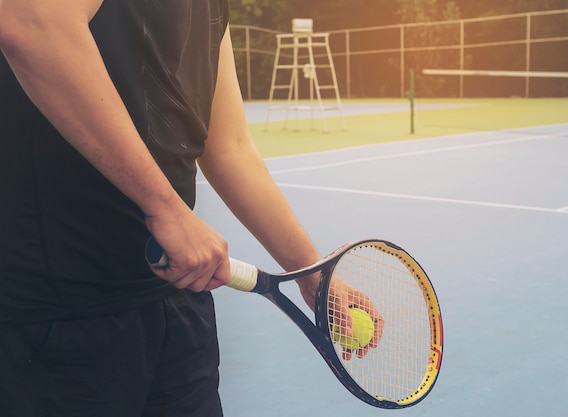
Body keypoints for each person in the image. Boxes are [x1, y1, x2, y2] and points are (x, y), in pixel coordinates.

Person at [0, 1, 381, 416]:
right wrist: (166, 209)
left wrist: (309, 267)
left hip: (178, 306)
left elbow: (228, 146)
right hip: (58, 318)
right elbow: (31, 22)